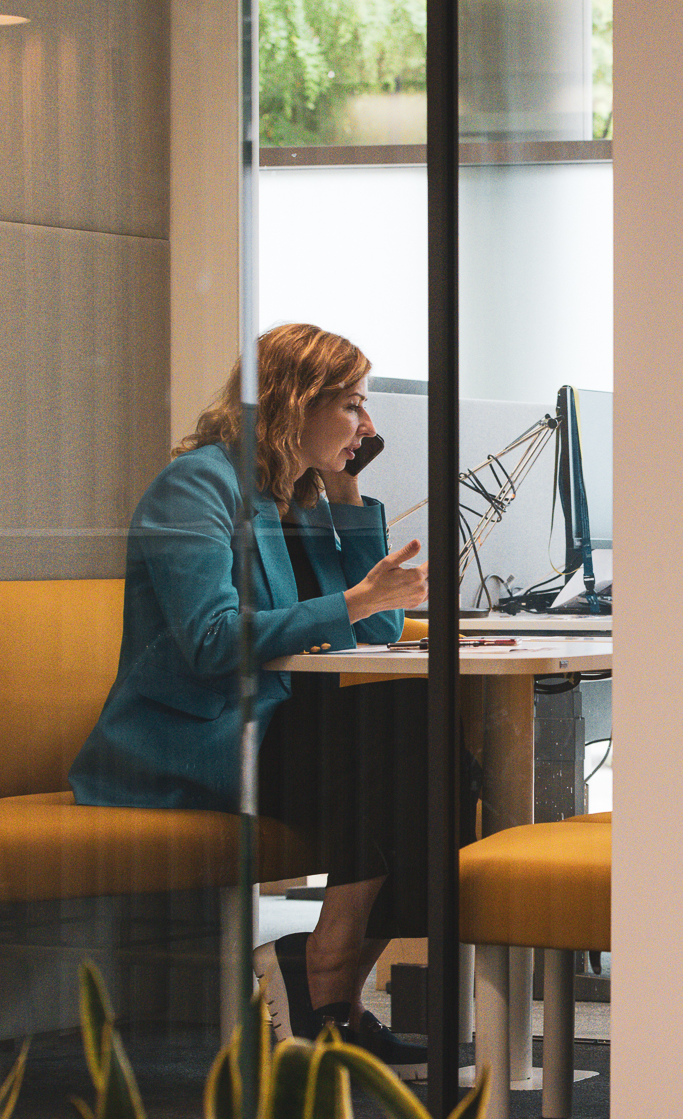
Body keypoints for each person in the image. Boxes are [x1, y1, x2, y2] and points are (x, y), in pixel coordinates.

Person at [71, 323, 441, 1076]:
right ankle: (325, 980)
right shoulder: (198, 486)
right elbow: (210, 641)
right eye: (353, 407)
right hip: (192, 742)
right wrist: (352, 599)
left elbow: (376, 624)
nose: (368, 429)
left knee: (436, 755)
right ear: (296, 402)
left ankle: (327, 988)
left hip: (270, 728)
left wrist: (346, 493)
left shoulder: (292, 492)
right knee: (389, 738)